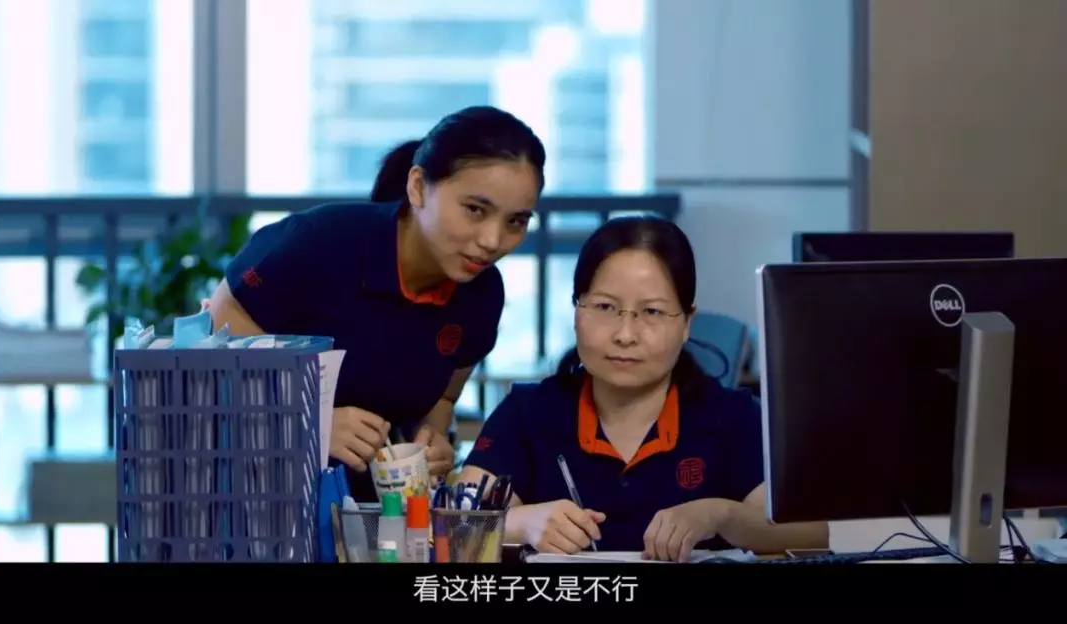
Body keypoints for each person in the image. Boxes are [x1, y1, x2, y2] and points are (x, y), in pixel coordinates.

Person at [208, 105, 546, 502]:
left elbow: (442, 398)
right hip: (249, 496)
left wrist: (433, 437)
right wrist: (309, 423)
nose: (492, 240)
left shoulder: (481, 294)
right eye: (475, 210)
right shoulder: (315, 244)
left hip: (368, 511)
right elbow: (212, 363)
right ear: (418, 187)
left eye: (515, 222)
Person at [456, 217, 829, 561]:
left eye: (652, 312)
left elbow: (811, 532)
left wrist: (721, 515)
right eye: (604, 307)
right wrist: (522, 523)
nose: (625, 335)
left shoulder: (732, 417)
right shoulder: (527, 413)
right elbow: (457, 525)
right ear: (576, 310)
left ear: (686, 322)